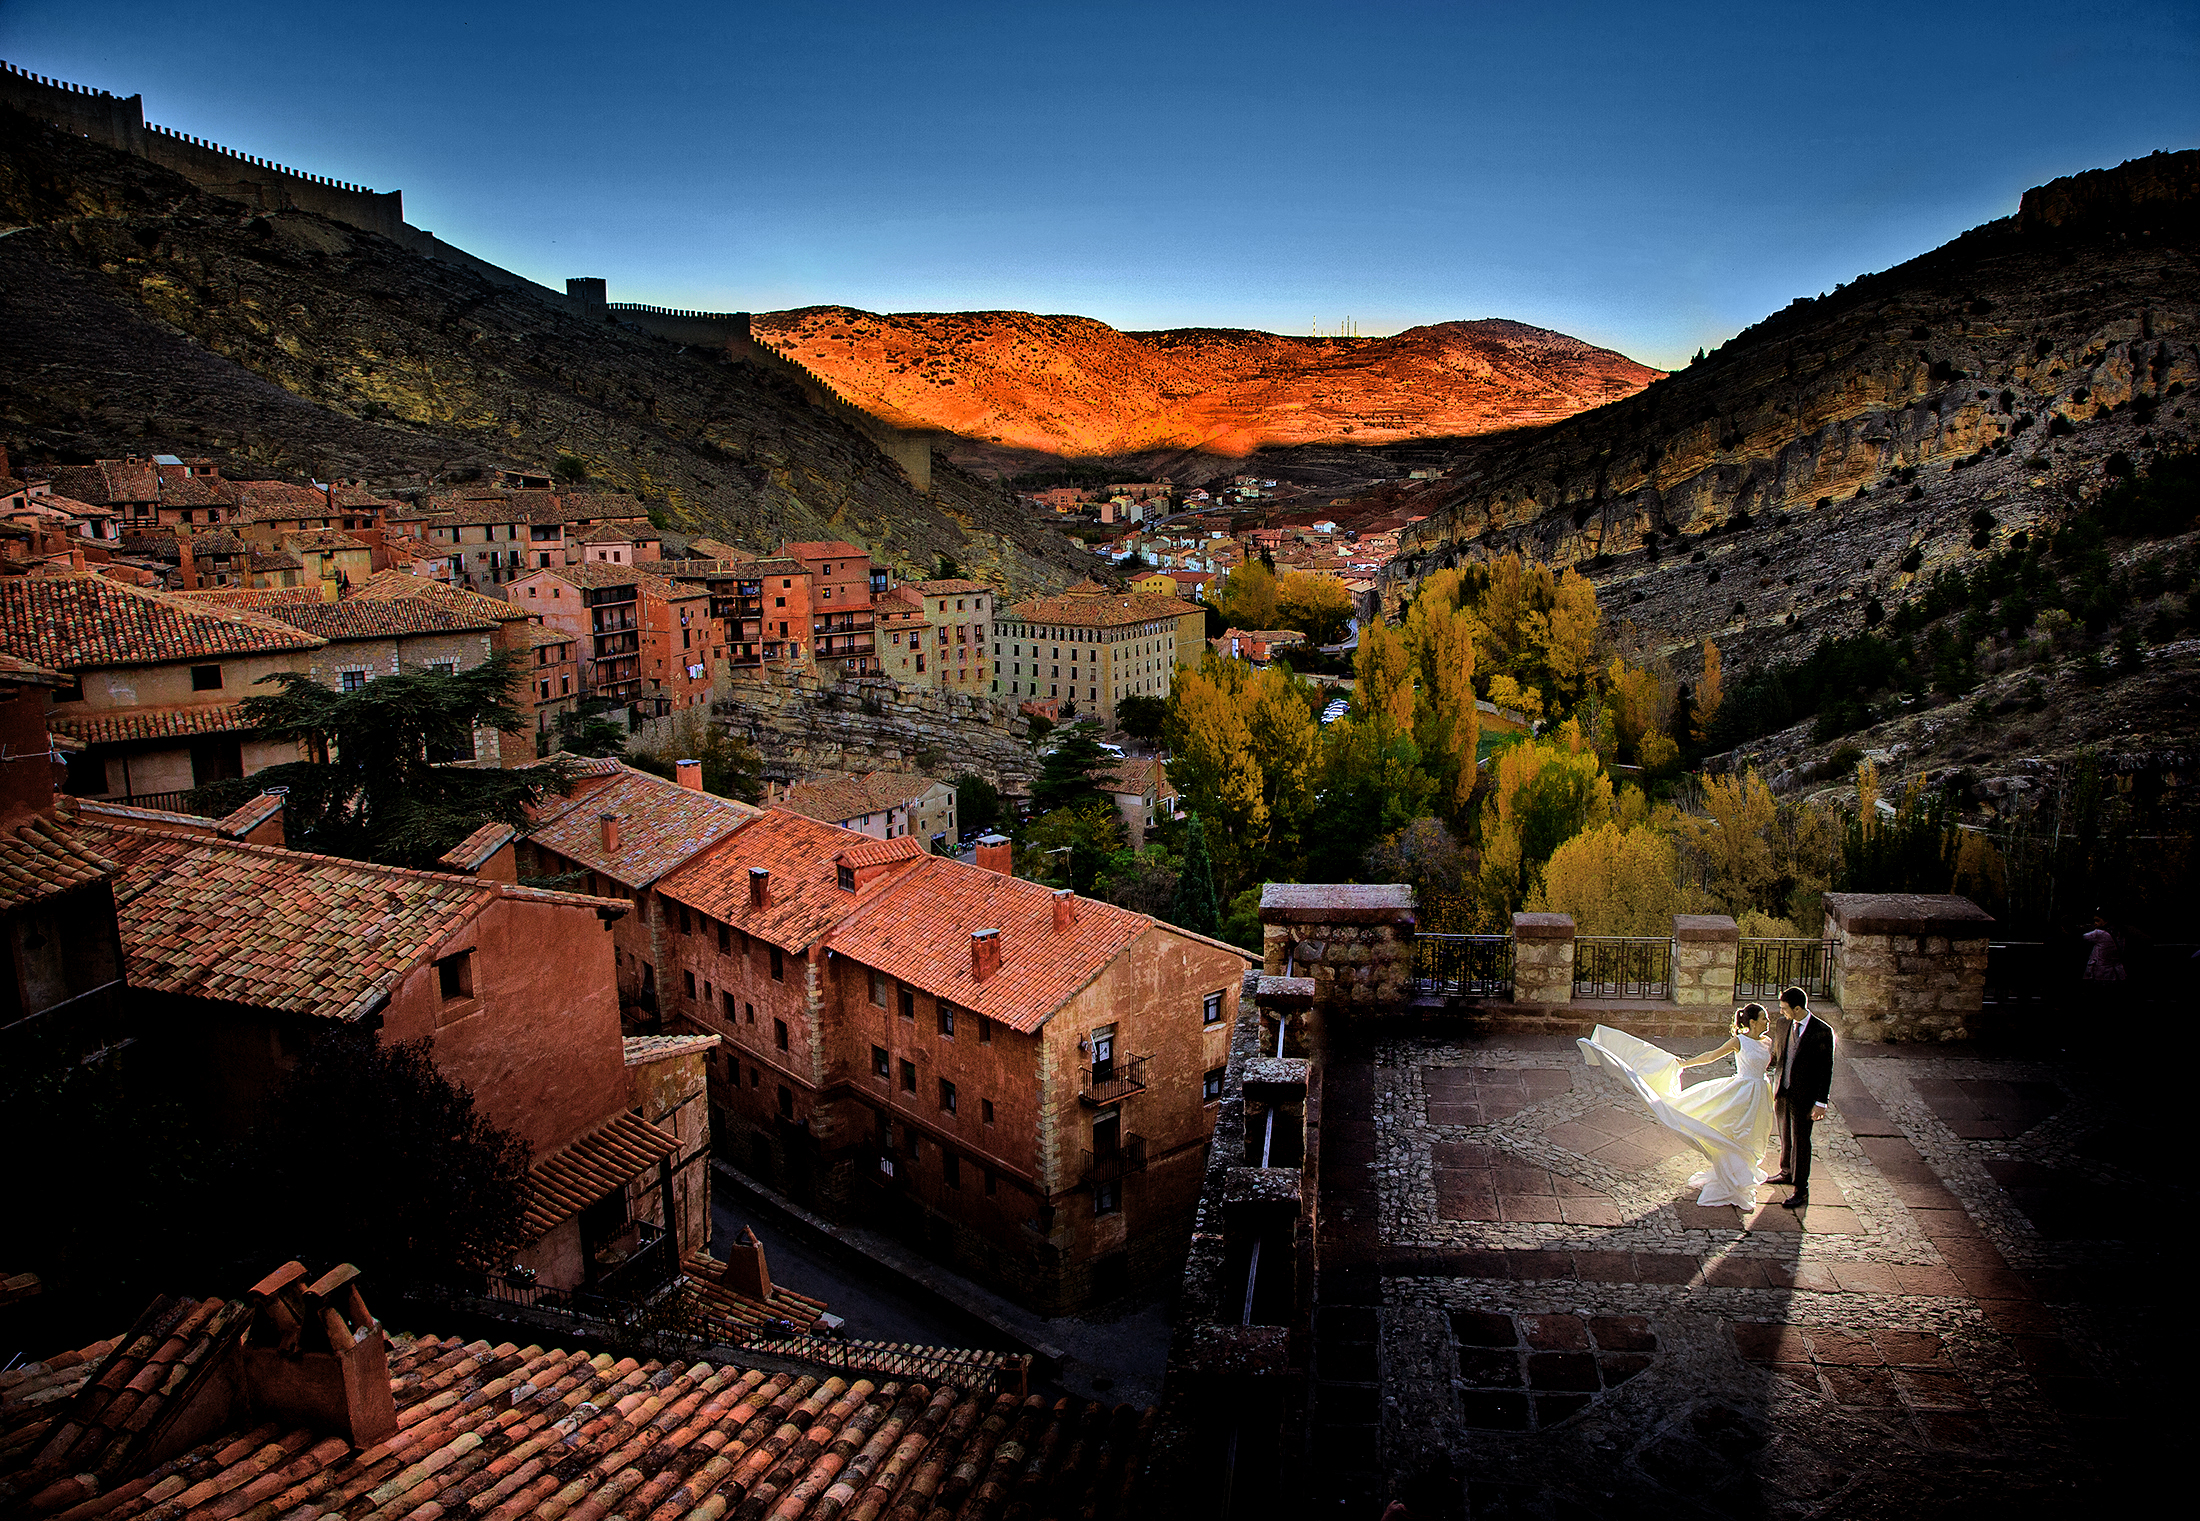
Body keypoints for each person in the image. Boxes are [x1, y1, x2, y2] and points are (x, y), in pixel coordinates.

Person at [1577, 1005, 1776, 1209]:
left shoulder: (1768, 1042)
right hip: (1742, 1092)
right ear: (1752, 1022)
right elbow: (1710, 1056)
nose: (1767, 1022)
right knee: (1733, 1131)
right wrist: (1685, 1063)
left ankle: (1740, 1171)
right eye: (1764, 1018)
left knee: (1754, 1133)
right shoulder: (1739, 1041)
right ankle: (1735, 1178)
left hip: (1760, 1094)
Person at [1767, 986, 1832, 1208]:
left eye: (1785, 1008)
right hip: (1783, 1091)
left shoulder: (1822, 1031)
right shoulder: (1782, 1024)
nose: (1781, 1011)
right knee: (1785, 1134)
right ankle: (1786, 1172)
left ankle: (1800, 1188)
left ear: (1797, 1008)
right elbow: (1777, 1054)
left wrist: (1821, 1102)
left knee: (1801, 1141)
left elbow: (1826, 1069)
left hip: (1805, 1096)